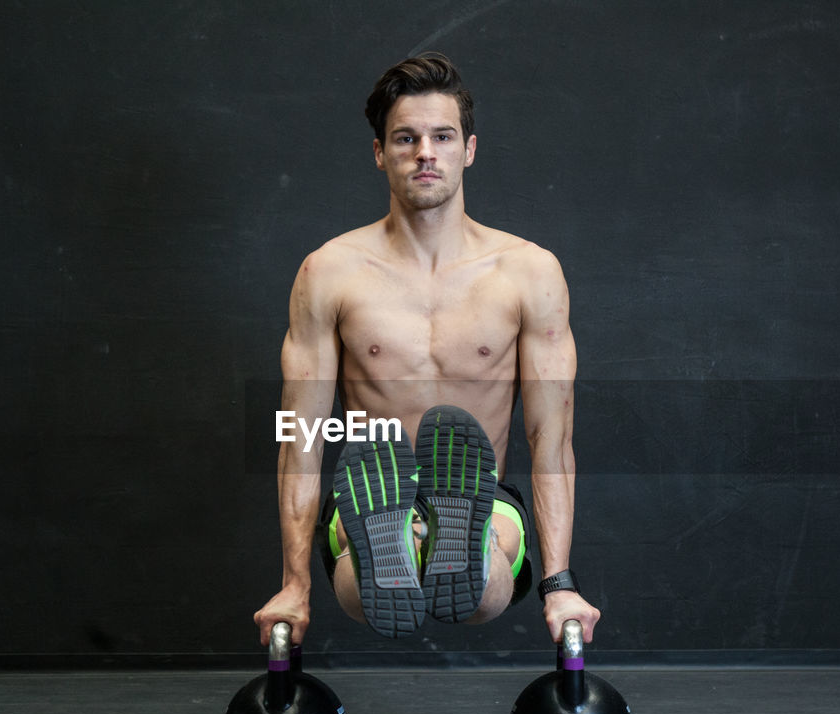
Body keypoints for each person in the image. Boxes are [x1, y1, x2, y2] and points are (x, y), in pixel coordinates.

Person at [253, 52, 601, 648]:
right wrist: (293, 584)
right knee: (373, 584)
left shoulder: (527, 273)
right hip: (368, 490)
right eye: (405, 138)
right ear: (379, 153)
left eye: (442, 137)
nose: (425, 153)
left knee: (482, 582)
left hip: (484, 495)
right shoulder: (330, 272)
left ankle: (452, 525)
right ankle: (395, 527)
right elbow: (301, 436)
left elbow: (552, 436)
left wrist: (559, 581)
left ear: (468, 148)